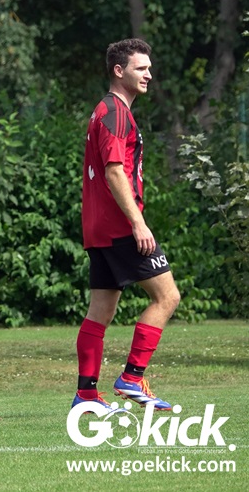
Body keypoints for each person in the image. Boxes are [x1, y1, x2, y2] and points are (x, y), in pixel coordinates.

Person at [74, 38, 181, 412]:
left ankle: (86, 395)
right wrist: (138, 223)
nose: (148, 74)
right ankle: (132, 377)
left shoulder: (102, 110)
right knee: (167, 297)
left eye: (149, 68)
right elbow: (115, 171)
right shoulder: (116, 113)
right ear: (119, 71)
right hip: (120, 226)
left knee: (100, 312)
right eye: (141, 68)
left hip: (97, 229)